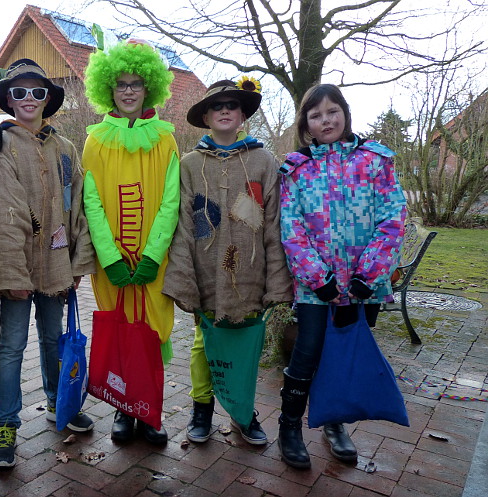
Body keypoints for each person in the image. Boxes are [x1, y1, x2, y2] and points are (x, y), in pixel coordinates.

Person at [278, 83, 407, 469]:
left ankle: (335, 424)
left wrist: (368, 275)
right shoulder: (297, 169)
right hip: (317, 288)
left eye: (332, 111)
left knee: (347, 352)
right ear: (307, 123)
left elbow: (393, 217)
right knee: (307, 352)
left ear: (345, 113)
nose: (325, 120)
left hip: (363, 286)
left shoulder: (376, 161)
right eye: (316, 115)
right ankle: (289, 428)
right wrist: (321, 280)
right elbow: (292, 228)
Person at [162, 78, 293, 445]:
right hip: (205, 274)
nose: (224, 111)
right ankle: (201, 407)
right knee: (205, 342)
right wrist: (185, 279)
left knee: (245, 344)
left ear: (242, 115)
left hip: (249, 274)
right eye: (216, 106)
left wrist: (276, 282)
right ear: (205, 115)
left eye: (231, 105)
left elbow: (273, 224)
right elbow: (184, 225)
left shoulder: (264, 161)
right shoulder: (189, 164)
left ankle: (241, 409)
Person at [0, 59, 96, 468]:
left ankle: (56, 401)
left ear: (49, 99)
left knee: (53, 340)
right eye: (20, 92)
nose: (29, 99)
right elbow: (2, 212)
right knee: (12, 347)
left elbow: (76, 207)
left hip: (57, 266)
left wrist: (76, 264)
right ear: (8, 99)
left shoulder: (65, 147)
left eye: (37, 92)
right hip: (19, 269)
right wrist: (12, 274)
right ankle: (5, 424)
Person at [82, 39, 180, 444]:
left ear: (149, 88)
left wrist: (154, 254)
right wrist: (110, 257)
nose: (127, 91)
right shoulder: (95, 141)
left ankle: (150, 411)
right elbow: (91, 203)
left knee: (154, 331)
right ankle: (124, 407)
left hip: (153, 264)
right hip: (114, 266)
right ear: (108, 89)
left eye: (136, 84)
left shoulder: (166, 140)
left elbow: (170, 200)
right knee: (120, 330)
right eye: (120, 84)